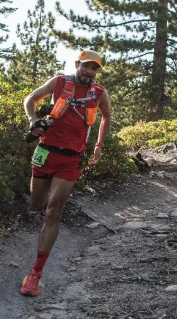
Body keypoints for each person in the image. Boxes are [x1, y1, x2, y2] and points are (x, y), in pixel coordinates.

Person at [19, 49, 112, 297]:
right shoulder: (59, 81)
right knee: (37, 204)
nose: (89, 72)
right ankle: (44, 201)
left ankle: (35, 274)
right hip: (46, 151)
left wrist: (99, 145)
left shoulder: (99, 93)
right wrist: (32, 120)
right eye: (86, 66)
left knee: (53, 210)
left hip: (72, 158)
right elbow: (31, 98)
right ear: (77, 64)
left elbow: (106, 117)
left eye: (94, 68)